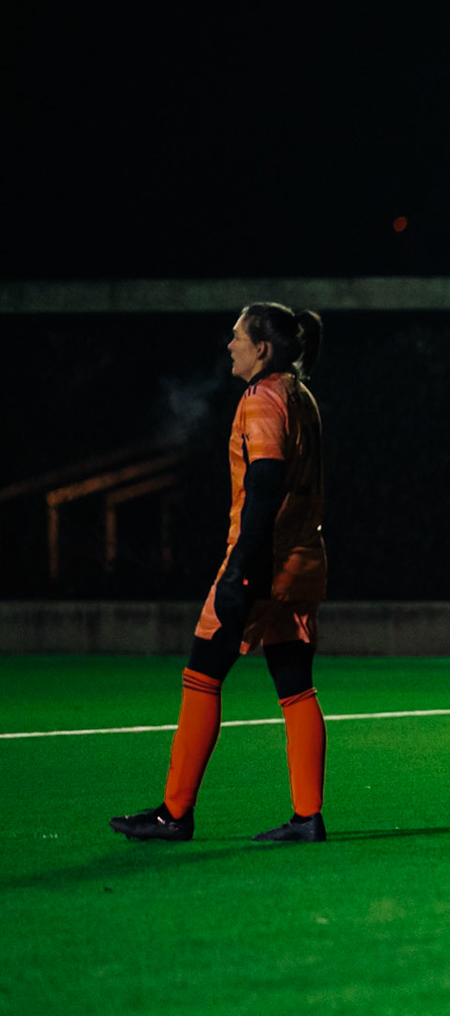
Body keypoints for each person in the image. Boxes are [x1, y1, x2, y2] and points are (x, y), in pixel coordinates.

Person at [109, 304, 331, 842]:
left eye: (237, 337)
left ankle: (174, 813)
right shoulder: (301, 397)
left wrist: (239, 572)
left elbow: (264, 487)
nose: (229, 345)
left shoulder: (261, 399)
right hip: (304, 561)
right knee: (295, 684)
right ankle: (307, 817)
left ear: (263, 349)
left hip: (263, 563)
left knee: (202, 673)